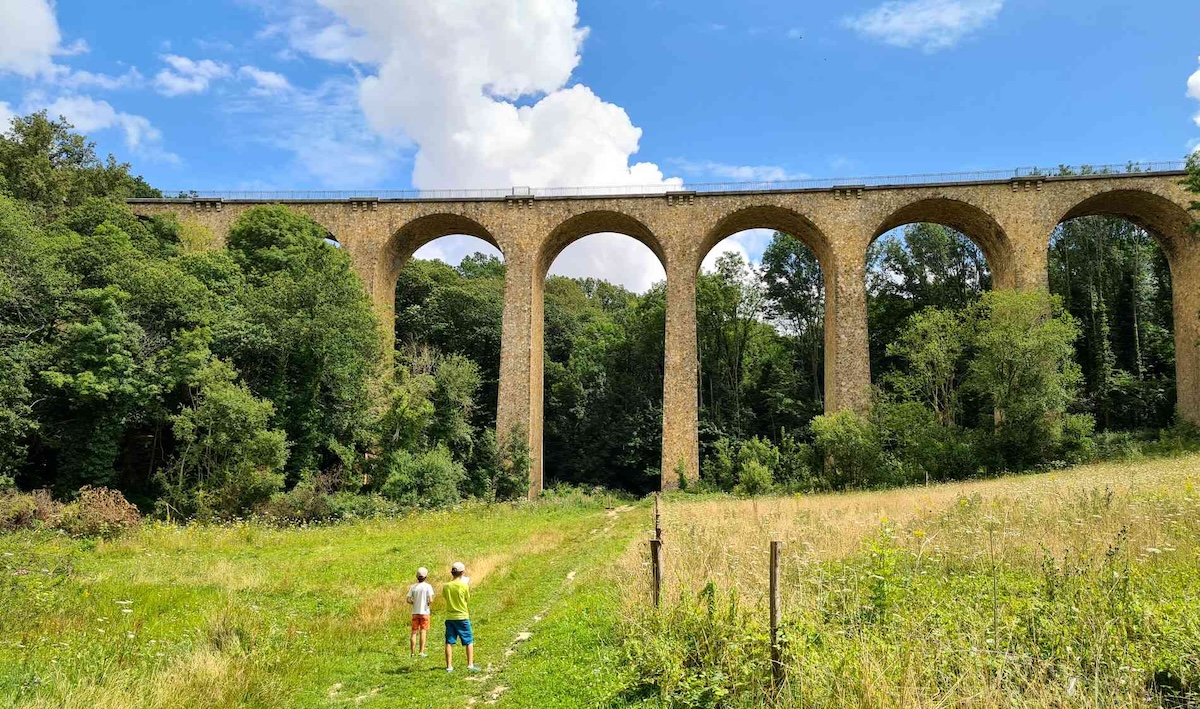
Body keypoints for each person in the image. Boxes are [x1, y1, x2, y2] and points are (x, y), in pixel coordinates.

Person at [443, 561, 479, 672]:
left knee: (449, 642)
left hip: (450, 617)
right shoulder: (464, 585)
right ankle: (470, 664)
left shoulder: (446, 586)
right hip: (462, 616)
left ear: (452, 573)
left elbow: (445, 597)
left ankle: (449, 666)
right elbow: (467, 598)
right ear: (462, 572)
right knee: (468, 640)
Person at [406, 567, 434, 657]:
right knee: (423, 631)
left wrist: (414, 602)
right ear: (426, 576)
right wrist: (428, 603)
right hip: (424, 612)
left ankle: (412, 652)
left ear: (416, 576)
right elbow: (431, 600)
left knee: (414, 632)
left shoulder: (413, 587)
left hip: (415, 612)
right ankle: (421, 652)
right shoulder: (428, 586)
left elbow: (408, 599)